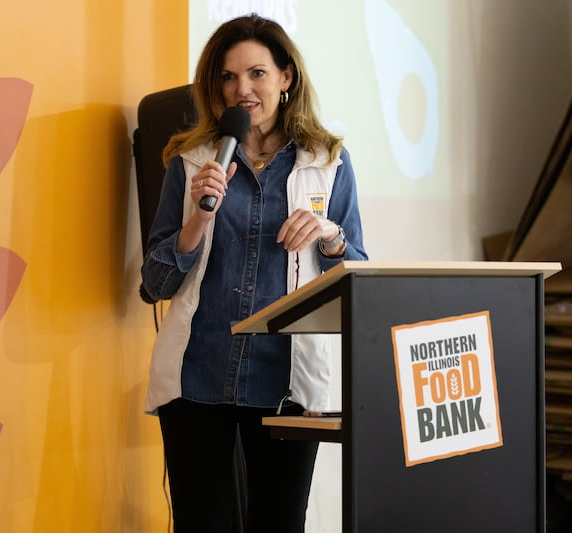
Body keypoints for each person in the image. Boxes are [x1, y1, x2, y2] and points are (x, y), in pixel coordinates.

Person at [140, 13, 368, 533]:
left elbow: (356, 276)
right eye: (227, 76)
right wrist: (197, 219)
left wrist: (331, 237)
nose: (242, 89)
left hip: (285, 384)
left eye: (257, 74)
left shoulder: (328, 163)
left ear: (286, 77)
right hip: (197, 378)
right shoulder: (192, 161)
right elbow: (155, 284)